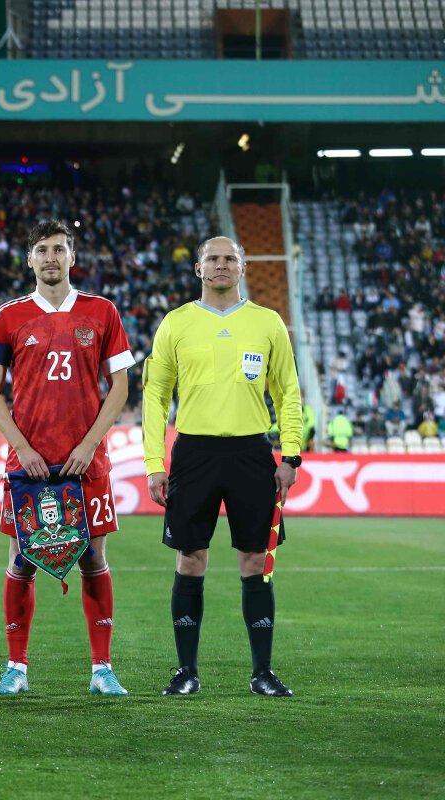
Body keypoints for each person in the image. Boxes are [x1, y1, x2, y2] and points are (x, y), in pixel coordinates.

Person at [142, 236, 301, 698]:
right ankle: (186, 672)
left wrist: (290, 455)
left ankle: (262, 673)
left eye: (230, 258)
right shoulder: (176, 323)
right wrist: (154, 462)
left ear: (242, 268)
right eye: (213, 258)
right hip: (194, 453)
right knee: (190, 559)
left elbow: (287, 391)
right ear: (199, 269)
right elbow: (155, 396)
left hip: (252, 452)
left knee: (256, 560)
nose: (221, 265)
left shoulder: (267, 323)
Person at [0, 219, 135, 697]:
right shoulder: (9, 316)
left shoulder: (102, 311)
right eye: (42, 250)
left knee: (93, 557)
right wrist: (21, 447)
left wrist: (89, 445)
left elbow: (121, 386)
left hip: (87, 465)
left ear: (72, 257)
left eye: (59, 249)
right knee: (21, 559)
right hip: (28, 467)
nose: (51, 257)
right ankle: (16, 667)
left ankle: (102, 669)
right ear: (30, 259)